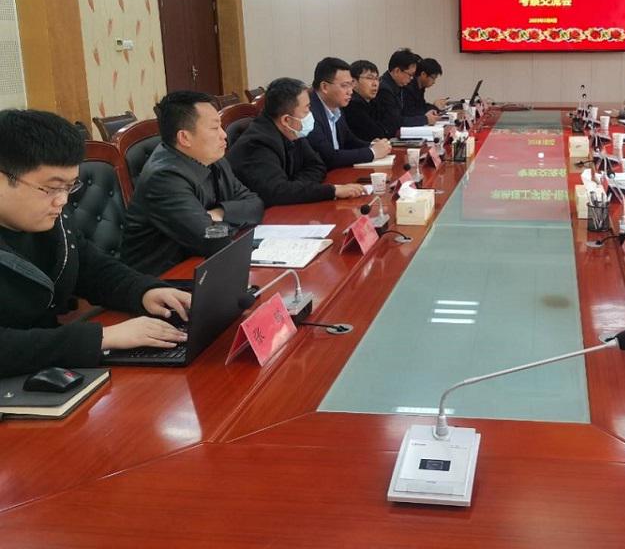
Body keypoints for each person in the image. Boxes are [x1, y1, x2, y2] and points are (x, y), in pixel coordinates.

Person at [0, 110, 191, 378]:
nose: (62, 200)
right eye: (51, 188)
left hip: (48, 368)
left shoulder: (52, 219)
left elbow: (91, 268)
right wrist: (101, 337)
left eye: (69, 186)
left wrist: (144, 291)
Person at [122, 91, 264, 276]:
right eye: (214, 128)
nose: (223, 135)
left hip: (200, 262)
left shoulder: (213, 158)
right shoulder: (164, 177)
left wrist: (220, 213)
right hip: (163, 278)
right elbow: (210, 238)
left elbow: (255, 204)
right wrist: (230, 219)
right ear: (184, 138)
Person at [228, 77, 366, 206]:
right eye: (306, 109)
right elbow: (277, 192)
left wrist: (295, 188)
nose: (310, 114)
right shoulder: (257, 143)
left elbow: (317, 165)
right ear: (286, 120)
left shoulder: (292, 132)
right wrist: (332, 191)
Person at [307, 57, 392, 168]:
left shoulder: (337, 107)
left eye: (351, 85)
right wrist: (373, 152)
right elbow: (329, 157)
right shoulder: (309, 113)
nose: (350, 91)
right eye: (344, 85)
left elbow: (349, 140)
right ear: (325, 87)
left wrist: (372, 145)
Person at [373, 48, 439, 137]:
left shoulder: (397, 85)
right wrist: (425, 119)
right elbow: (396, 121)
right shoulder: (385, 90)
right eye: (410, 75)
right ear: (397, 71)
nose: (412, 78)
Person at [343, 60, 392, 143]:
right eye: (369, 78)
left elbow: (391, 126)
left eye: (377, 79)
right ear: (353, 82)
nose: (375, 83)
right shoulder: (351, 105)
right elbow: (377, 134)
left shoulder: (374, 102)